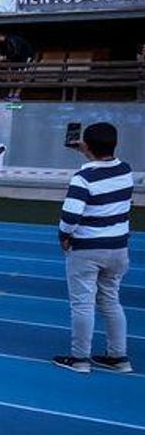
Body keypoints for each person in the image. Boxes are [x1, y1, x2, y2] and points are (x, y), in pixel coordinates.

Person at [54, 122, 132, 374]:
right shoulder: (125, 170)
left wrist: (63, 236)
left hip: (87, 249)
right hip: (118, 247)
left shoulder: (83, 178)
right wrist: (87, 151)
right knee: (111, 301)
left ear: (86, 145)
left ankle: (80, 358)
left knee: (82, 304)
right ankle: (118, 356)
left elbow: (70, 217)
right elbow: (104, 166)